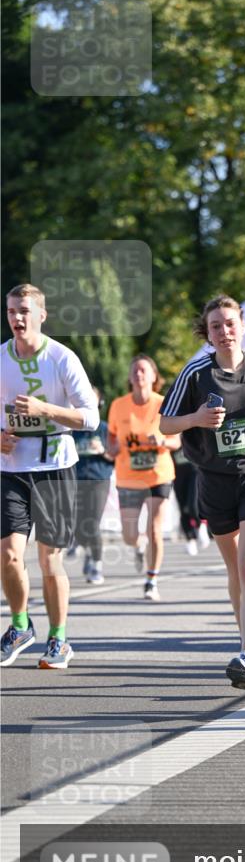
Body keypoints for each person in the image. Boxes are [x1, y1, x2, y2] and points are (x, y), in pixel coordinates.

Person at [159, 294, 245, 690]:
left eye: (230, 324)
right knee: (235, 569)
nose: (224, 331)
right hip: (215, 478)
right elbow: (165, 424)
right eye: (216, 326)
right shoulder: (196, 373)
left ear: (243, 326)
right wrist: (197, 418)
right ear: (208, 332)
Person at [1, 283, 99, 668]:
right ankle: (20, 626)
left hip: (54, 467)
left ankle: (59, 638)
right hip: (12, 469)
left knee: (49, 559)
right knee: (9, 555)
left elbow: (90, 417)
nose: (17, 318)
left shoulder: (61, 358)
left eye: (24, 311)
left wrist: (46, 409)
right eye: (11, 311)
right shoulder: (2, 358)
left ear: (41, 315)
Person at [107, 355, 179, 601]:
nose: (139, 374)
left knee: (154, 529)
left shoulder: (164, 403)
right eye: (135, 370)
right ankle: (138, 546)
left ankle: (151, 580)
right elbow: (111, 436)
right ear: (129, 377)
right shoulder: (118, 405)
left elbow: (177, 441)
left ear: (154, 376)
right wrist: (111, 448)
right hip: (128, 476)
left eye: (143, 370)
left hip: (158, 474)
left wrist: (162, 441)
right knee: (129, 535)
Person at [71, 386, 114, 584]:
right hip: (76, 479)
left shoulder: (105, 428)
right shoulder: (72, 429)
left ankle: (97, 565)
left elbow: (116, 455)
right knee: (78, 525)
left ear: (99, 402)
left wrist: (103, 450)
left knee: (93, 522)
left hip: (98, 479)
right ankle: (88, 549)